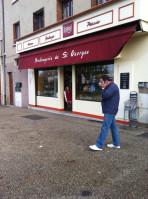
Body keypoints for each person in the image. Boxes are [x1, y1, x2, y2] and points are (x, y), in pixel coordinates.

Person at [89, 75, 120, 151]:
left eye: (102, 82)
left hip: (110, 110)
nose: (101, 84)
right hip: (110, 109)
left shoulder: (112, 87)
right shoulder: (110, 86)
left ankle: (99, 145)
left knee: (105, 128)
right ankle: (116, 144)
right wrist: (104, 88)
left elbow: (105, 95)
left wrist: (103, 88)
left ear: (107, 81)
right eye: (100, 82)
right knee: (113, 128)